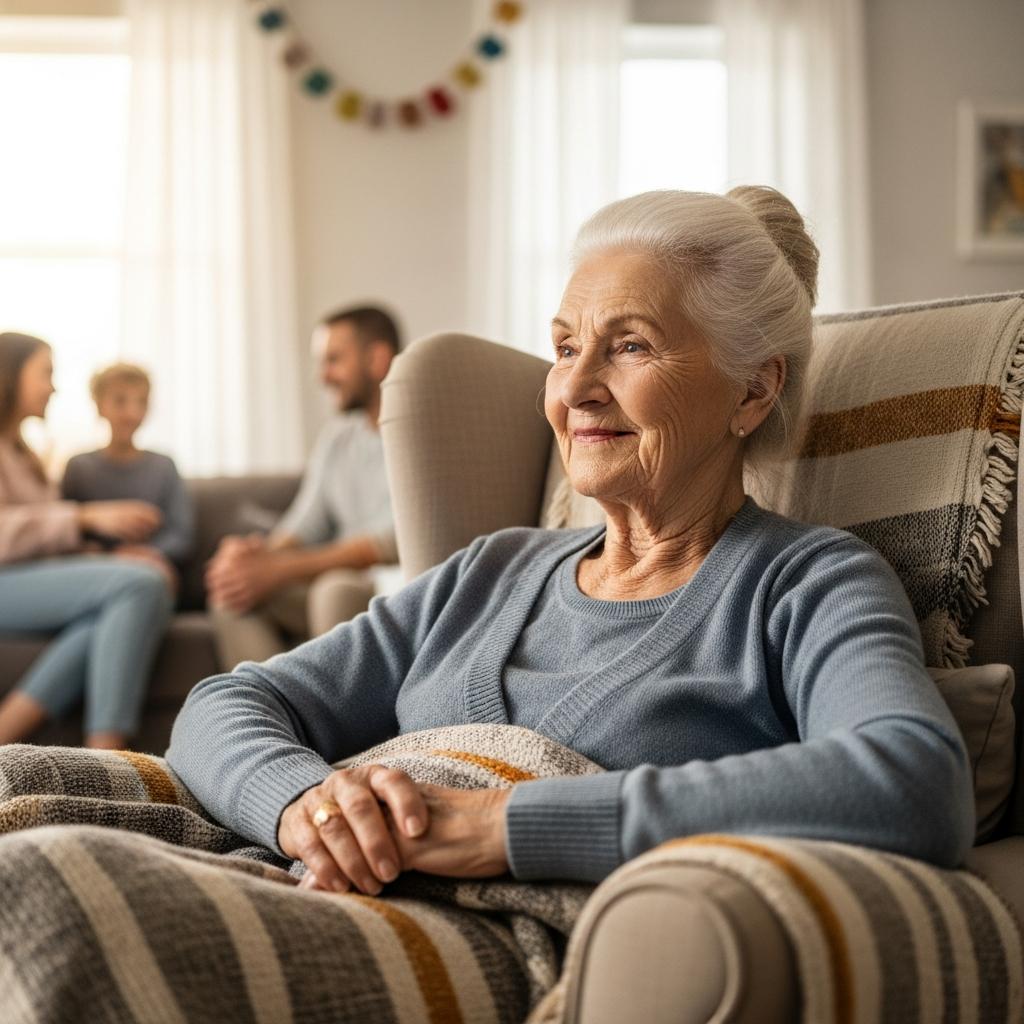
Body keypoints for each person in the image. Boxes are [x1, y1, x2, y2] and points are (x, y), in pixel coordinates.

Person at [166, 186, 973, 897]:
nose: (575, 389)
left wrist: (498, 825)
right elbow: (228, 704)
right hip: (310, 882)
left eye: (629, 345)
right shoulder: (494, 568)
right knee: (36, 802)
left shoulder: (805, 583)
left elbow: (913, 781)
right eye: (563, 347)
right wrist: (306, 806)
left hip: (479, 942)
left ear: (754, 389)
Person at [0, 333, 173, 748]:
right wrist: (85, 516)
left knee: (117, 605)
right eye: (46, 373)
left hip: (24, 580)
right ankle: (108, 756)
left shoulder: (23, 454)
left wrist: (103, 555)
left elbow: (42, 542)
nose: (53, 387)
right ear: (10, 375)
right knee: (142, 582)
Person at [205, 305, 400, 669]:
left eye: (333, 360)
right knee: (231, 593)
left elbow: (387, 542)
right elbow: (304, 523)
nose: (322, 376)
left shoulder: (416, 433)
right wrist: (256, 557)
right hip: (329, 579)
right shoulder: (338, 437)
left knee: (333, 590)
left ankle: (330, 721)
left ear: (376, 358)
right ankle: (273, 714)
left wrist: (281, 569)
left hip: (385, 586)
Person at [62, 362, 195, 591]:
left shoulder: (164, 466)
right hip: (94, 573)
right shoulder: (79, 467)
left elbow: (181, 533)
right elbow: (66, 527)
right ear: (99, 405)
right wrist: (107, 555)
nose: (132, 413)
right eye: (120, 401)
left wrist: (147, 553)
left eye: (141, 402)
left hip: (152, 567)